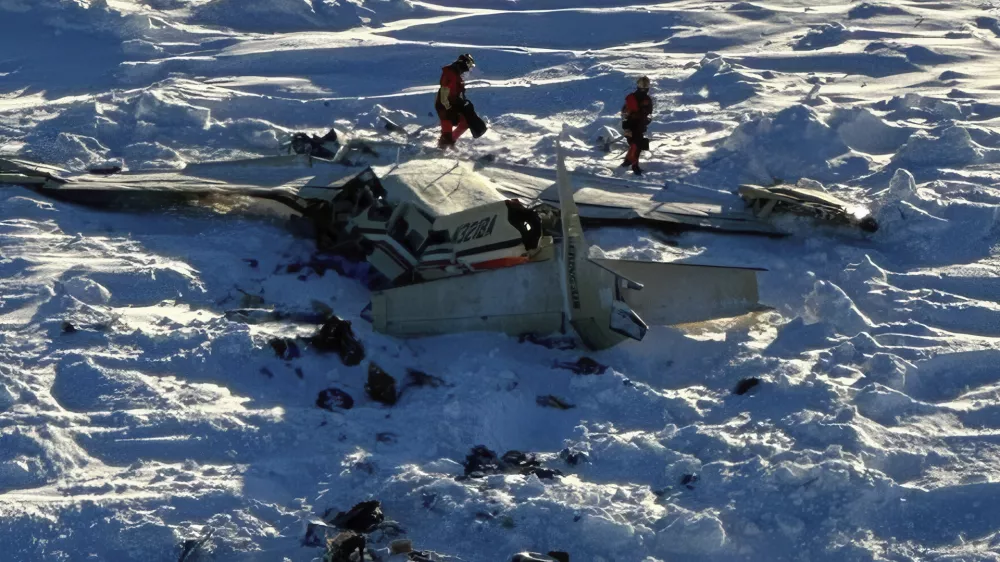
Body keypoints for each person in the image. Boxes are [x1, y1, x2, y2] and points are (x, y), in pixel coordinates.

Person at [435, 53, 475, 149]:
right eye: (469, 66)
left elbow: (459, 93)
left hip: (455, 104)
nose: (469, 69)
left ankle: (450, 142)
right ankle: (442, 149)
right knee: (447, 134)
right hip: (445, 107)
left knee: (466, 122)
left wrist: (464, 103)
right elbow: (444, 91)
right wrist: (448, 107)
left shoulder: (458, 75)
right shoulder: (450, 73)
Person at [620, 75, 654, 175]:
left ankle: (628, 162)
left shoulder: (636, 97)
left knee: (635, 145)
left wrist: (626, 126)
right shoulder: (640, 98)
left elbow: (649, 113)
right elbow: (649, 113)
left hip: (634, 125)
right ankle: (634, 166)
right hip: (634, 125)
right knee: (636, 146)